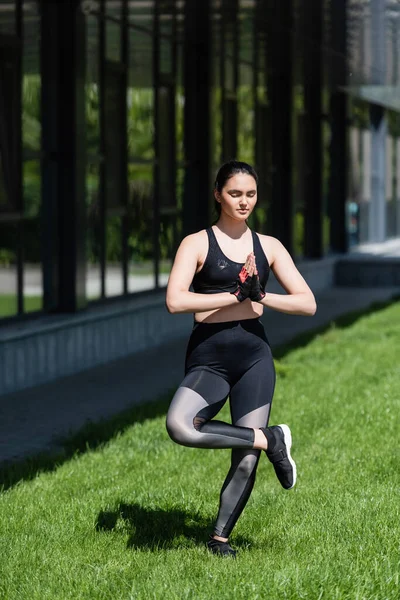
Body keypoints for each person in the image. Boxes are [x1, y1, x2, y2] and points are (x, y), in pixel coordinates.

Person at [165, 160, 316, 558]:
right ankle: (272, 439)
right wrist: (235, 295)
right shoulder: (196, 243)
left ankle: (220, 539)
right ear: (218, 194)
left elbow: (308, 303)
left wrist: (262, 296)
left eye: (250, 194)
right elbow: (176, 300)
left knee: (246, 459)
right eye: (235, 193)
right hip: (208, 360)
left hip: (253, 358)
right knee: (180, 425)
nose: (244, 201)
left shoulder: (268, 247)